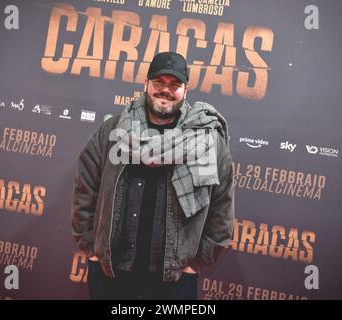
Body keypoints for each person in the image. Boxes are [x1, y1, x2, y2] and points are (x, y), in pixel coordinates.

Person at [71, 51, 234, 300]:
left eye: (174, 85)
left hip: (174, 279)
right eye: (159, 83)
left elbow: (222, 205)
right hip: (112, 272)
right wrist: (91, 246)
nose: (165, 91)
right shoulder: (114, 131)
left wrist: (197, 263)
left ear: (185, 91)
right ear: (145, 83)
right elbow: (86, 185)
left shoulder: (206, 141)